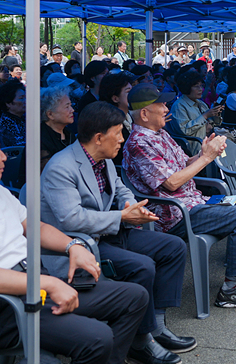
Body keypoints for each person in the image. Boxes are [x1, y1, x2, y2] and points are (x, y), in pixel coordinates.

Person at [0, 122, 151, 364]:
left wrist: (73, 245)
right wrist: (49, 283)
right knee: (98, 337)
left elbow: (36, 227)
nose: (5, 157)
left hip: (35, 288)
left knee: (134, 297)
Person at [40, 100, 195, 362]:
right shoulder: (61, 167)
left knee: (173, 247)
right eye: (118, 133)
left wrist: (133, 207)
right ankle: (140, 340)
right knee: (142, 266)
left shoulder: (103, 157)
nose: (123, 139)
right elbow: (71, 218)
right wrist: (121, 216)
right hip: (82, 244)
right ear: (99, 137)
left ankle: (155, 324)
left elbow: (121, 188)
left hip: (109, 233)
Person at [122, 90, 236, 309]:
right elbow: (171, 183)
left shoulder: (160, 134)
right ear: (144, 113)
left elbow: (185, 164)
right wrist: (207, 158)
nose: (166, 109)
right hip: (174, 216)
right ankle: (230, 292)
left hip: (193, 203)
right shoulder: (139, 144)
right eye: (161, 105)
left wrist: (203, 153)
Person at [168, 70, 222, 143]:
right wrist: (205, 115)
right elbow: (185, 130)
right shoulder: (179, 106)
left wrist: (216, 113)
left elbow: (215, 124)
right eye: (197, 86)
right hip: (196, 145)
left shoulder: (200, 103)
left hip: (209, 140)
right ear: (187, 87)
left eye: (201, 86)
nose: (200, 89)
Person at [0, 80, 27, 148]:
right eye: (21, 98)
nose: (26, 101)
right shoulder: (5, 124)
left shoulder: (25, 118)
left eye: (25, 97)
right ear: (8, 103)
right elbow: (18, 149)